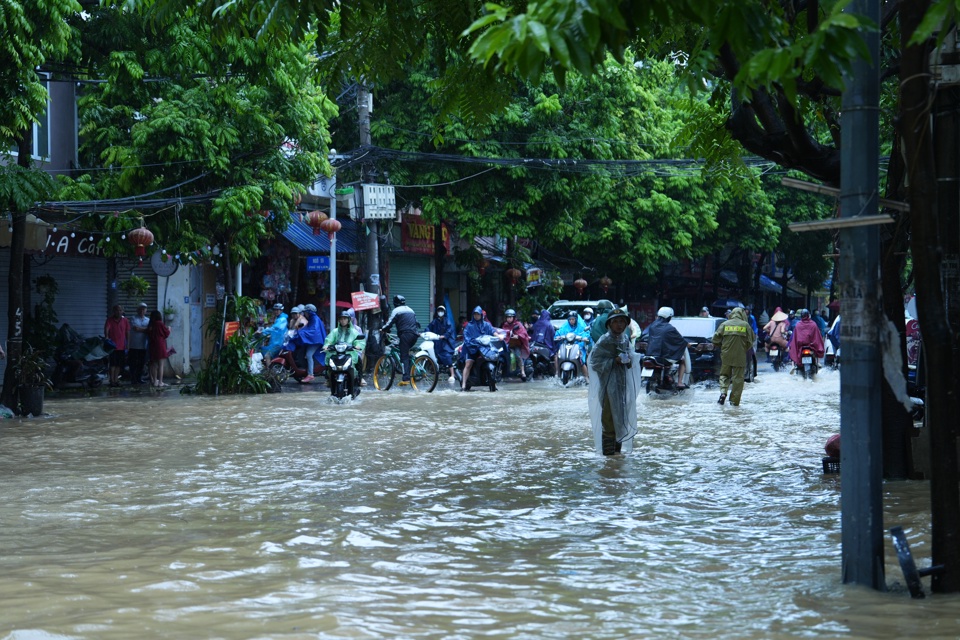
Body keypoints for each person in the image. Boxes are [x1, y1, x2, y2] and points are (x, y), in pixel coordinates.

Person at [588, 309, 640, 455]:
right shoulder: (604, 341)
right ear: (609, 324)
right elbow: (595, 363)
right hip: (607, 387)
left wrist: (629, 361)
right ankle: (608, 456)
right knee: (609, 418)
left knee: (621, 416)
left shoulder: (624, 340)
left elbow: (630, 361)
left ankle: (617, 457)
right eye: (616, 321)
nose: (619, 325)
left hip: (622, 386)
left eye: (622, 321)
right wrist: (613, 361)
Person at [712, 306, 755, 406]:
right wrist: (743, 349)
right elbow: (751, 341)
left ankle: (723, 392)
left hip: (726, 355)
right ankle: (734, 402)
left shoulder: (724, 324)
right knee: (738, 379)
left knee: (724, 375)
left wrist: (723, 347)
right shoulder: (746, 325)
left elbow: (715, 339)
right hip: (740, 356)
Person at [642, 306, 691, 389]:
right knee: (682, 360)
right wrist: (688, 344)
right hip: (663, 357)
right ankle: (679, 382)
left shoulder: (652, 326)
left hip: (650, 355)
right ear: (668, 317)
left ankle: (667, 376)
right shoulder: (670, 328)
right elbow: (680, 340)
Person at [323, 309, 367, 396]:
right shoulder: (335, 331)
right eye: (341, 319)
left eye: (345, 319)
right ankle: (328, 378)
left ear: (349, 320)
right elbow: (329, 340)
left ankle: (360, 378)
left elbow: (359, 341)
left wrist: (358, 345)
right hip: (336, 353)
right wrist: (327, 345)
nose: (343, 321)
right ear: (339, 320)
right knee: (328, 358)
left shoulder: (354, 332)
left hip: (350, 354)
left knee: (359, 360)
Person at [382, 294, 420, 386]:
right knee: (405, 352)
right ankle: (411, 371)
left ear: (395, 303)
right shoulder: (411, 310)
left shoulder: (396, 310)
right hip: (415, 335)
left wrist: (382, 329)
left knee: (404, 356)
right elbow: (417, 323)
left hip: (405, 335)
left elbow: (389, 323)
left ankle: (406, 379)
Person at [287, 303, 326, 383]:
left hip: (315, 341)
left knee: (308, 355)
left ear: (309, 312)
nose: (304, 314)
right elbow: (306, 329)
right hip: (313, 340)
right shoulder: (312, 319)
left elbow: (313, 331)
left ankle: (310, 374)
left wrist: (301, 333)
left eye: (305, 312)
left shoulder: (314, 319)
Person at [461, 306, 497, 391]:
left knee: (493, 358)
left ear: (481, 315)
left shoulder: (486, 325)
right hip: (471, 348)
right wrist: (472, 343)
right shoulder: (469, 326)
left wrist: (499, 336)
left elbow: (493, 331)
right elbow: (466, 337)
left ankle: (494, 382)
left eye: (478, 314)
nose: (476, 316)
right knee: (468, 364)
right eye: (475, 314)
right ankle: (463, 384)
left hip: (484, 348)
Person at [554, 310, 590, 380]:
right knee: (558, 356)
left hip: (578, 345)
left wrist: (585, 337)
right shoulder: (565, 326)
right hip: (566, 345)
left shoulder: (581, 326)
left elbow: (586, 332)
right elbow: (559, 332)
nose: (571, 321)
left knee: (580, 359)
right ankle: (557, 373)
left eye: (573, 319)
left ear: (576, 319)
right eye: (570, 319)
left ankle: (586, 377)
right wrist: (557, 336)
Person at [427, 305, 457, 382]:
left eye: (442, 311)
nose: (440, 312)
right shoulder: (435, 321)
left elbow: (449, 330)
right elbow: (428, 327)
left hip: (446, 342)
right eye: (439, 311)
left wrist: (444, 336)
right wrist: (424, 333)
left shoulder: (447, 321)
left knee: (447, 356)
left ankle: (452, 374)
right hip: (437, 341)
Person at [104, 304, 130, 387]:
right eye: (116, 310)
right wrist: (107, 337)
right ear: (113, 311)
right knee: (112, 364)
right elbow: (107, 329)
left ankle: (116, 379)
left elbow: (127, 332)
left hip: (122, 346)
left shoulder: (125, 320)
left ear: (122, 311)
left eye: (120, 310)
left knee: (119, 364)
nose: (118, 312)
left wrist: (128, 343)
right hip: (112, 346)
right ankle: (111, 380)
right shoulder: (110, 320)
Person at [501, 308, 530, 382]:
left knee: (517, 355)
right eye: (508, 317)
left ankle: (522, 372)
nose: (509, 319)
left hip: (516, 345)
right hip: (507, 345)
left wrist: (518, 336)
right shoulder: (505, 325)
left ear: (513, 318)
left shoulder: (518, 324)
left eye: (510, 317)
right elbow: (503, 333)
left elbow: (523, 333)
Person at [147, 309, 171, 388]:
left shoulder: (150, 324)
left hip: (152, 345)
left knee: (154, 364)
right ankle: (160, 382)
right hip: (160, 345)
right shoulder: (160, 323)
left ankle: (154, 381)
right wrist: (169, 329)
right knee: (161, 365)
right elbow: (166, 333)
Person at [128, 302, 150, 385]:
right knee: (133, 363)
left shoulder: (148, 320)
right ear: (137, 310)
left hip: (143, 345)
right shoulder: (133, 318)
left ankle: (139, 378)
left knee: (141, 363)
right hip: (133, 345)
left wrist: (142, 329)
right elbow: (135, 328)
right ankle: (133, 379)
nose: (142, 311)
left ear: (146, 310)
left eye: (143, 309)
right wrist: (145, 329)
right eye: (140, 309)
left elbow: (149, 330)